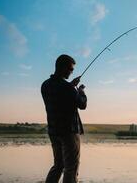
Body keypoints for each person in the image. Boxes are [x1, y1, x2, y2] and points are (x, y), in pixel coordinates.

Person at [41, 54, 87, 183]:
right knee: (71, 168)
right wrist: (81, 91)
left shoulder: (45, 85)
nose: (72, 72)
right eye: (71, 69)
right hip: (69, 132)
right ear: (62, 67)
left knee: (58, 165)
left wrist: (71, 86)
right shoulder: (68, 88)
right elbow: (82, 104)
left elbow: (61, 96)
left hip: (53, 131)